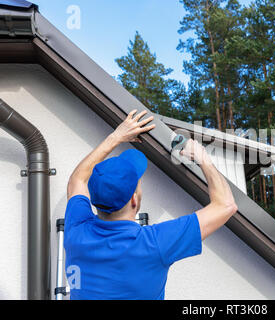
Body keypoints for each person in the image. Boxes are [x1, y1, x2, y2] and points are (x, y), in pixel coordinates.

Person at [64, 109, 238, 300]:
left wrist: (115, 137)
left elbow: (77, 180)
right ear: (133, 199)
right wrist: (203, 157)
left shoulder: (76, 231)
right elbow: (226, 205)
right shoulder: (153, 244)